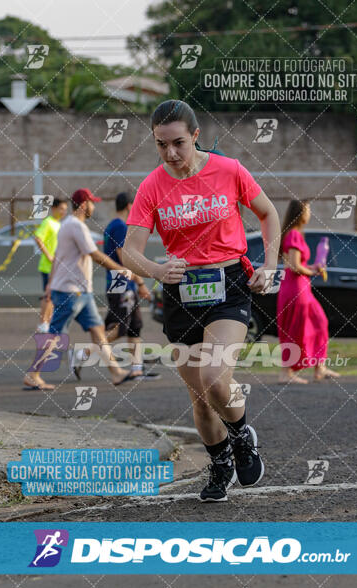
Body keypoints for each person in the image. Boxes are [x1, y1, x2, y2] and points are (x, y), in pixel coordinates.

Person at [122, 99, 281, 502]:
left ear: (196, 136)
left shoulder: (228, 170)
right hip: (179, 290)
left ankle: (243, 435)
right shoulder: (152, 186)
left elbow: (268, 213)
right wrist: (156, 270)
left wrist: (270, 264)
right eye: (161, 145)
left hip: (228, 284)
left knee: (214, 377)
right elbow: (130, 251)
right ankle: (221, 463)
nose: (171, 154)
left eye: (178, 143)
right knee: (201, 397)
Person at [23, 188, 133, 391]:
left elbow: (57, 257)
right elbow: (95, 255)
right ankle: (32, 374)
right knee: (56, 335)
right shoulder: (76, 226)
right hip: (71, 291)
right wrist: (121, 269)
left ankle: (116, 372)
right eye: (92, 202)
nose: (94, 206)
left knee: (98, 330)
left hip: (81, 291)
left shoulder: (68, 225)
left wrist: (49, 285)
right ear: (84, 205)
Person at [277, 199, 341, 384]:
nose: (309, 214)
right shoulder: (294, 235)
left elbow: (296, 265)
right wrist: (313, 270)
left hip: (299, 287)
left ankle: (319, 368)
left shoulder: (293, 234)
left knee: (318, 322)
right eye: (308, 210)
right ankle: (285, 373)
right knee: (295, 328)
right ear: (300, 213)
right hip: (296, 288)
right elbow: (296, 266)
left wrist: (312, 267)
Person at [104, 192, 160, 380]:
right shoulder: (120, 227)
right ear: (129, 206)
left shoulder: (114, 225)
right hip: (121, 284)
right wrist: (142, 283)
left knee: (135, 326)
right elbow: (126, 261)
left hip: (125, 284)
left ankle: (136, 369)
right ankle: (82, 354)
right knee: (120, 328)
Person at [33, 198, 68, 332]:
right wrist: (49, 256)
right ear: (53, 208)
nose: (63, 212)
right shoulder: (48, 222)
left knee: (53, 296)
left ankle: (47, 322)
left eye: (65, 209)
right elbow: (38, 238)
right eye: (61, 209)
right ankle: (43, 322)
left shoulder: (59, 224)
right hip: (48, 267)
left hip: (57, 267)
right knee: (48, 295)